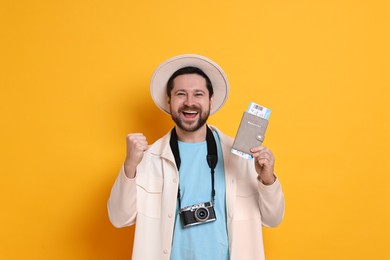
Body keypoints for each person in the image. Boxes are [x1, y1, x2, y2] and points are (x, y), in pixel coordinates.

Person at [107, 54, 285, 260]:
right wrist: (130, 165)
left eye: (198, 94)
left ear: (210, 99)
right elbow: (119, 219)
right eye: (181, 94)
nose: (189, 103)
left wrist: (267, 179)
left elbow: (273, 219)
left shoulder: (241, 155)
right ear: (169, 100)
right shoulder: (149, 157)